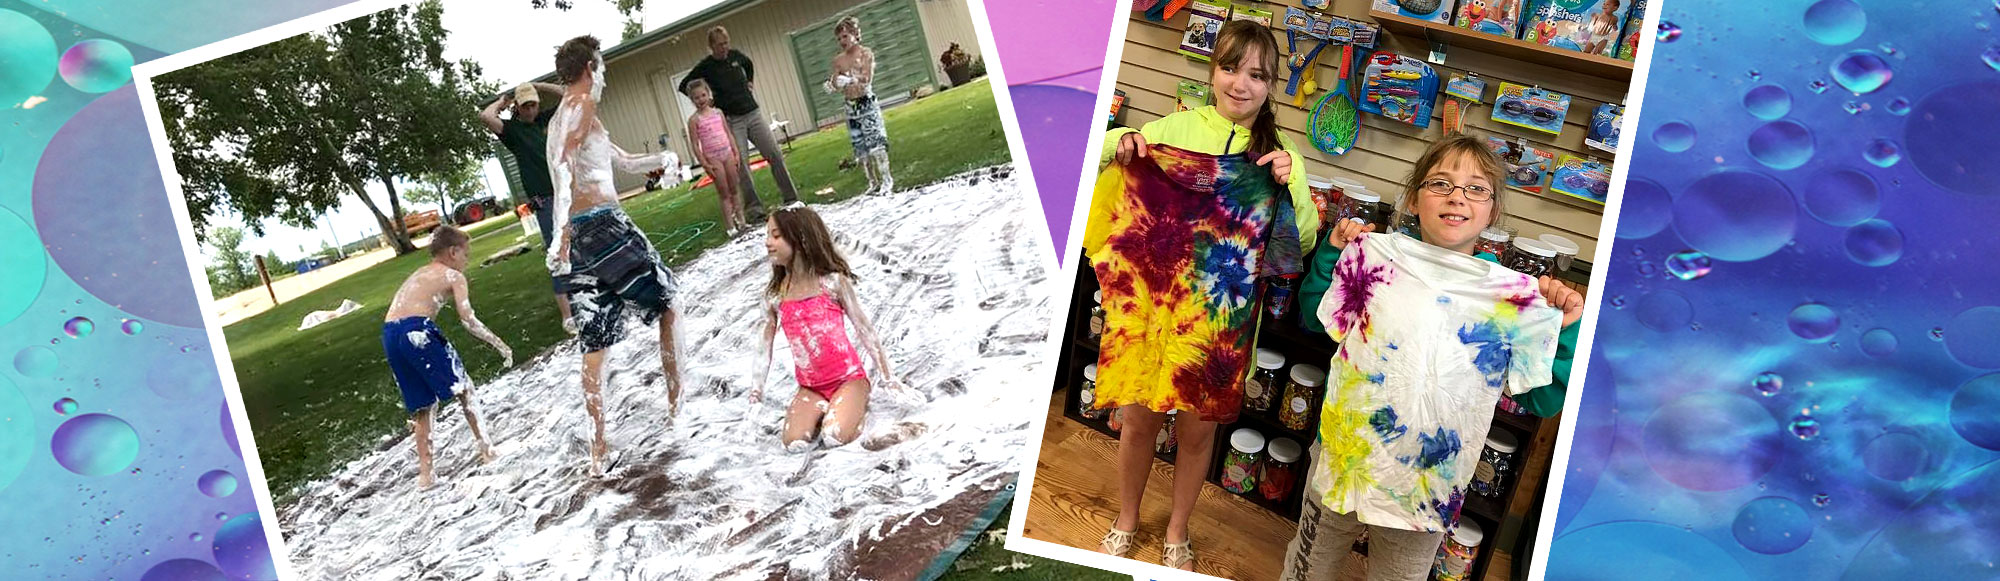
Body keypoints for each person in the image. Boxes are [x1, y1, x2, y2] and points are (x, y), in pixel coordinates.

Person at [1280, 135, 1586, 580]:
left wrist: (1567, 330)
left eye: (1476, 188)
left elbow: (1543, 401)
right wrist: (1332, 253)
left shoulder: (1514, 299)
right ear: (1412, 198)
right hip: (1343, 461)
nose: (1457, 196)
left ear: (1493, 210)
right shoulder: (1374, 258)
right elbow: (1314, 316)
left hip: (1425, 488)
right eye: (1440, 183)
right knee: (1307, 570)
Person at [1085, 19, 1321, 571]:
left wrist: (1290, 186)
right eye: (1231, 68)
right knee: (1139, 421)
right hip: (1154, 314)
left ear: (1272, 85)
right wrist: (1117, 142)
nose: (1241, 83)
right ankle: (1126, 517)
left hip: (1222, 323)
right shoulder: (1172, 129)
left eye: (1257, 75)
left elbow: (1300, 240)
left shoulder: (1283, 156)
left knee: (1197, 434)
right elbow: (1098, 163)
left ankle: (1177, 529)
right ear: (1212, 70)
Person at [544, 35, 684, 477]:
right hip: (601, 226)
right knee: (669, 304)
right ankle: (679, 407)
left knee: (595, 341)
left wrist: (663, 158)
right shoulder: (581, 107)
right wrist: (560, 232)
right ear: (590, 67)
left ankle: (598, 449)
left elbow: (620, 162)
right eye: (601, 66)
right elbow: (566, 166)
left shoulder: (564, 117)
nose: (604, 74)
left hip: (581, 237)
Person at [750, 204, 899, 452]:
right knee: (793, 444)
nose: (768, 242)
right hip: (810, 386)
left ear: (800, 239)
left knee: (835, 437)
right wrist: (756, 392)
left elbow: (865, 329)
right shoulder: (776, 295)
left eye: (776, 236)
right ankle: (830, 410)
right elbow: (763, 347)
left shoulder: (830, 283)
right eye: (767, 235)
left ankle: (849, 409)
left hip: (848, 379)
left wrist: (888, 377)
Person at [379, 225, 512, 488]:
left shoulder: (420, 273)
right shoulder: (453, 276)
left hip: (390, 334)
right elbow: (468, 320)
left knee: (424, 406)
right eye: (466, 254)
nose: (467, 260)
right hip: (417, 331)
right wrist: (499, 344)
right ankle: (487, 450)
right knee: (465, 389)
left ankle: (426, 476)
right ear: (453, 252)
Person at [481, 82, 576, 331]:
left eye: (533, 104)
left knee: (578, 247)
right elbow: (485, 116)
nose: (531, 110)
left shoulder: (546, 120)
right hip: (544, 201)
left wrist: (539, 86)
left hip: (565, 191)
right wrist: (503, 102)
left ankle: (585, 297)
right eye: (525, 106)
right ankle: (567, 314)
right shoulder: (512, 131)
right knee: (557, 253)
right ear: (518, 108)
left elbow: (570, 95)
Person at [680, 26, 799, 221]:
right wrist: (706, 100)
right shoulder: (706, 67)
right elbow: (684, 84)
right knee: (741, 164)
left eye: (726, 43)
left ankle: (791, 198)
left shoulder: (735, 57)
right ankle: (754, 209)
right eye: (719, 45)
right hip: (732, 120)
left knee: (775, 154)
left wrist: (750, 81)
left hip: (753, 113)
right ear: (711, 46)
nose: (724, 48)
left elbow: (748, 63)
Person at [829, 16, 893, 196]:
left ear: (855, 34)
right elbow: (834, 85)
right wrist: (835, 81)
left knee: (876, 146)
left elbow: (867, 79)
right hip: (850, 107)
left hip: (866, 104)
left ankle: (887, 180)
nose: (842, 41)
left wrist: (849, 78)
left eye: (845, 36)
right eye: (839, 38)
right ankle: (873, 183)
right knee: (861, 149)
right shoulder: (838, 60)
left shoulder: (865, 53)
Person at [684, 79, 751, 237]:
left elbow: (728, 133)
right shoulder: (694, 120)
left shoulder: (718, 113)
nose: (701, 100)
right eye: (696, 98)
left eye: (703, 95)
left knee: (734, 188)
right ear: (692, 100)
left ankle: (741, 221)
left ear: (708, 94)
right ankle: (730, 227)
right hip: (713, 158)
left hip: (727, 153)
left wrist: (736, 153)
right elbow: (695, 144)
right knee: (724, 192)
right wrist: (705, 164)